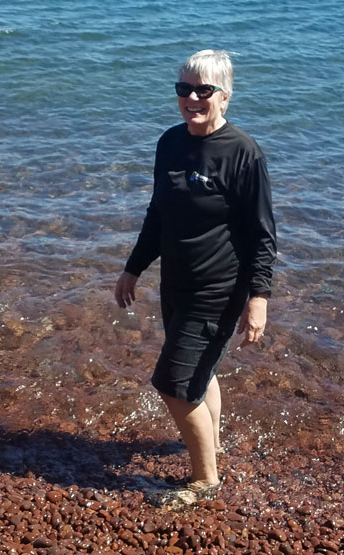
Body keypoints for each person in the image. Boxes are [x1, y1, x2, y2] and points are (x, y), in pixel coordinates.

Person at [114, 50, 276, 505]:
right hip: (176, 281)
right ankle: (214, 444)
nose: (191, 98)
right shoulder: (170, 143)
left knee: (172, 384)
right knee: (199, 373)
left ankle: (206, 480)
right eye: (183, 88)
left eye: (203, 90)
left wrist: (259, 297)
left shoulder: (243, 153)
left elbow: (263, 233)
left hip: (219, 288)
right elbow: (157, 214)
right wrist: (133, 267)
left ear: (224, 95)